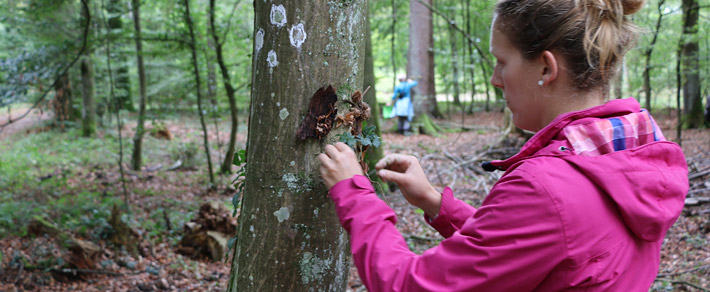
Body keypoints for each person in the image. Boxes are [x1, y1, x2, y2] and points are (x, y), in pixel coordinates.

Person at [318, 0, 689, 291]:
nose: (495, 79)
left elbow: (409, 284)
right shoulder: (634, 150)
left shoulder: (547, 187)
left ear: (546, 68)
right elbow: (544, 245)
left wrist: (354, 194)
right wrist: (436, 203)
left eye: (501, 62)